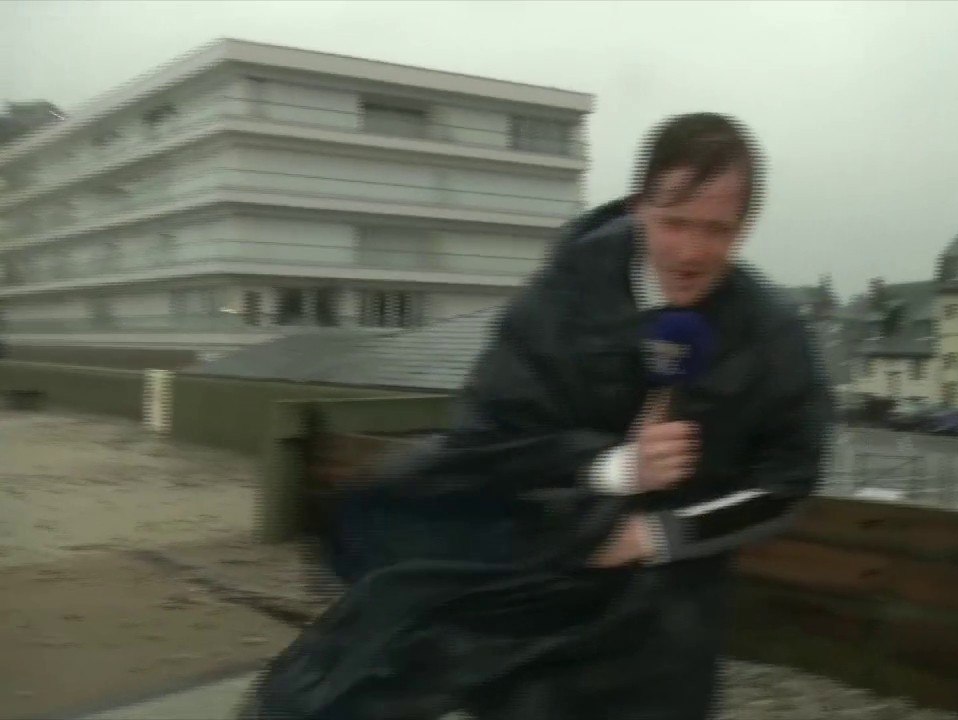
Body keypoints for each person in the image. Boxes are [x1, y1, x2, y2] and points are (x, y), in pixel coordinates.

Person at [243, 112, 834, 720]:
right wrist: (609, 472)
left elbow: (790, 475)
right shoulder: (558, 301)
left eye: (717, 231)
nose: (691, 252)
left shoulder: (772, 335)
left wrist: (658, 534)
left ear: (744, 230)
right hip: (529, 593)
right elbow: (483, 443)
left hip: (666, 626)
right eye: (674, 223)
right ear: (637, 207)